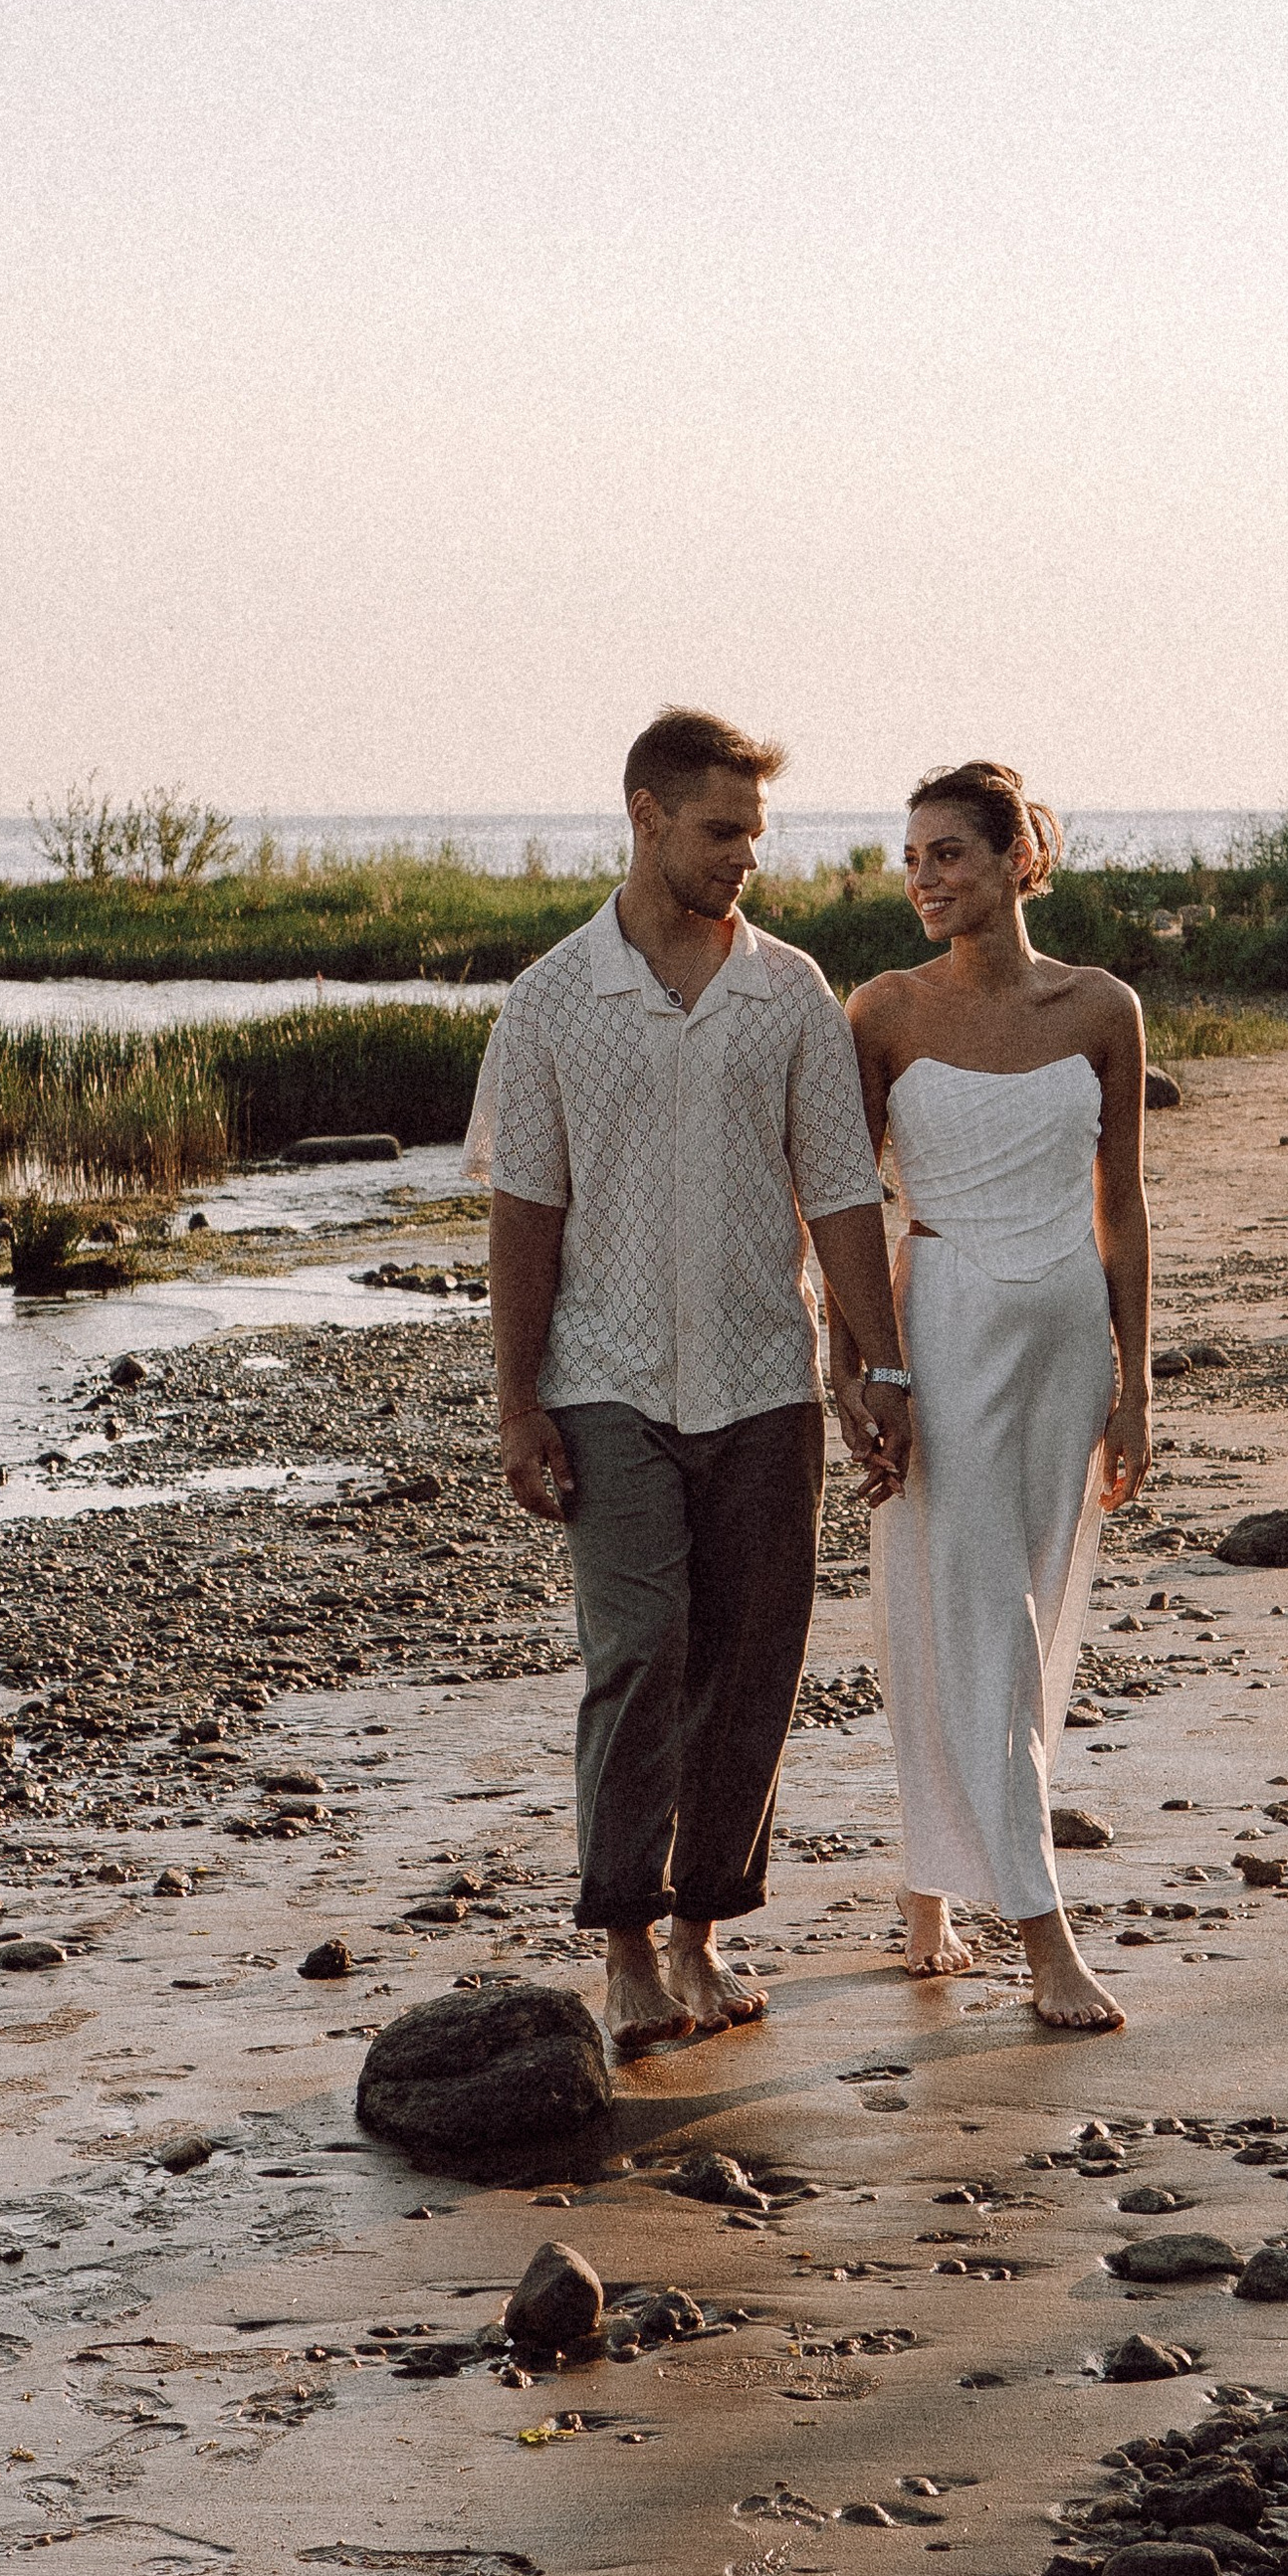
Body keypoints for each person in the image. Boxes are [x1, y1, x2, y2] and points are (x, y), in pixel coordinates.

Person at [468, 709, 914, 2055]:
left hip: (765, 1378)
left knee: (753, 1658)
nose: (745, 860)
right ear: (648, 818)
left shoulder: (788, 991)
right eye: (722, 832)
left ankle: (703, 1930)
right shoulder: (551, 1002)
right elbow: (524, 1217)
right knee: (643, 1650)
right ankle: (621, 1948)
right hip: (605, 1375)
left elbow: (840, 1194)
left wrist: (873, 1361)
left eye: (756, 837)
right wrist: (518, 1400)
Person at [838, 762, 1152, 2030]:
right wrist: (862, 1366)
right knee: (972, 1618)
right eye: (912, 857)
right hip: (944, 1326)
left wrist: (1138, 1383)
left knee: (1009, 1610)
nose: (924, 878)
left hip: (1067, 1333)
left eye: (950, 854)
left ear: (1020, 857)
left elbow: (1121, 1206)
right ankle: (1043, 1935)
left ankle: (931, 1881)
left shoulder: (1104, 1008)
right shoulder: (882, 1011)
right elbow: (845, 1203)